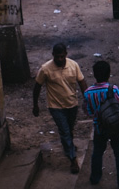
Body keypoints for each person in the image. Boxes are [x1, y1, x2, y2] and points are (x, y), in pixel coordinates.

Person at [32, 43, 87, 174]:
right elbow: (37, 86)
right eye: (57, 57)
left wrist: (87, 99)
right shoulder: (45, 69)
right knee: (64, 131)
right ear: (53, 56)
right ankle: (73, 159)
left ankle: (68, 147)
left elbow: (82, 82)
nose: (60, 60)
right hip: (55, 106)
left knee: (69, 129)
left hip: (72, 104)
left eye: (62, 57)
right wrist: (35, 105)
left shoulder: (73, 65)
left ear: (66, 55)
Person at [83, 60, 119, 189]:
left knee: (97, 153)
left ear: (94, 74)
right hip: (115, 126)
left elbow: (88, 112)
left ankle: (95, 177)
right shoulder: (113, 89)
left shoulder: (88, 92)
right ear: (109, 74)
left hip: (99, 127)